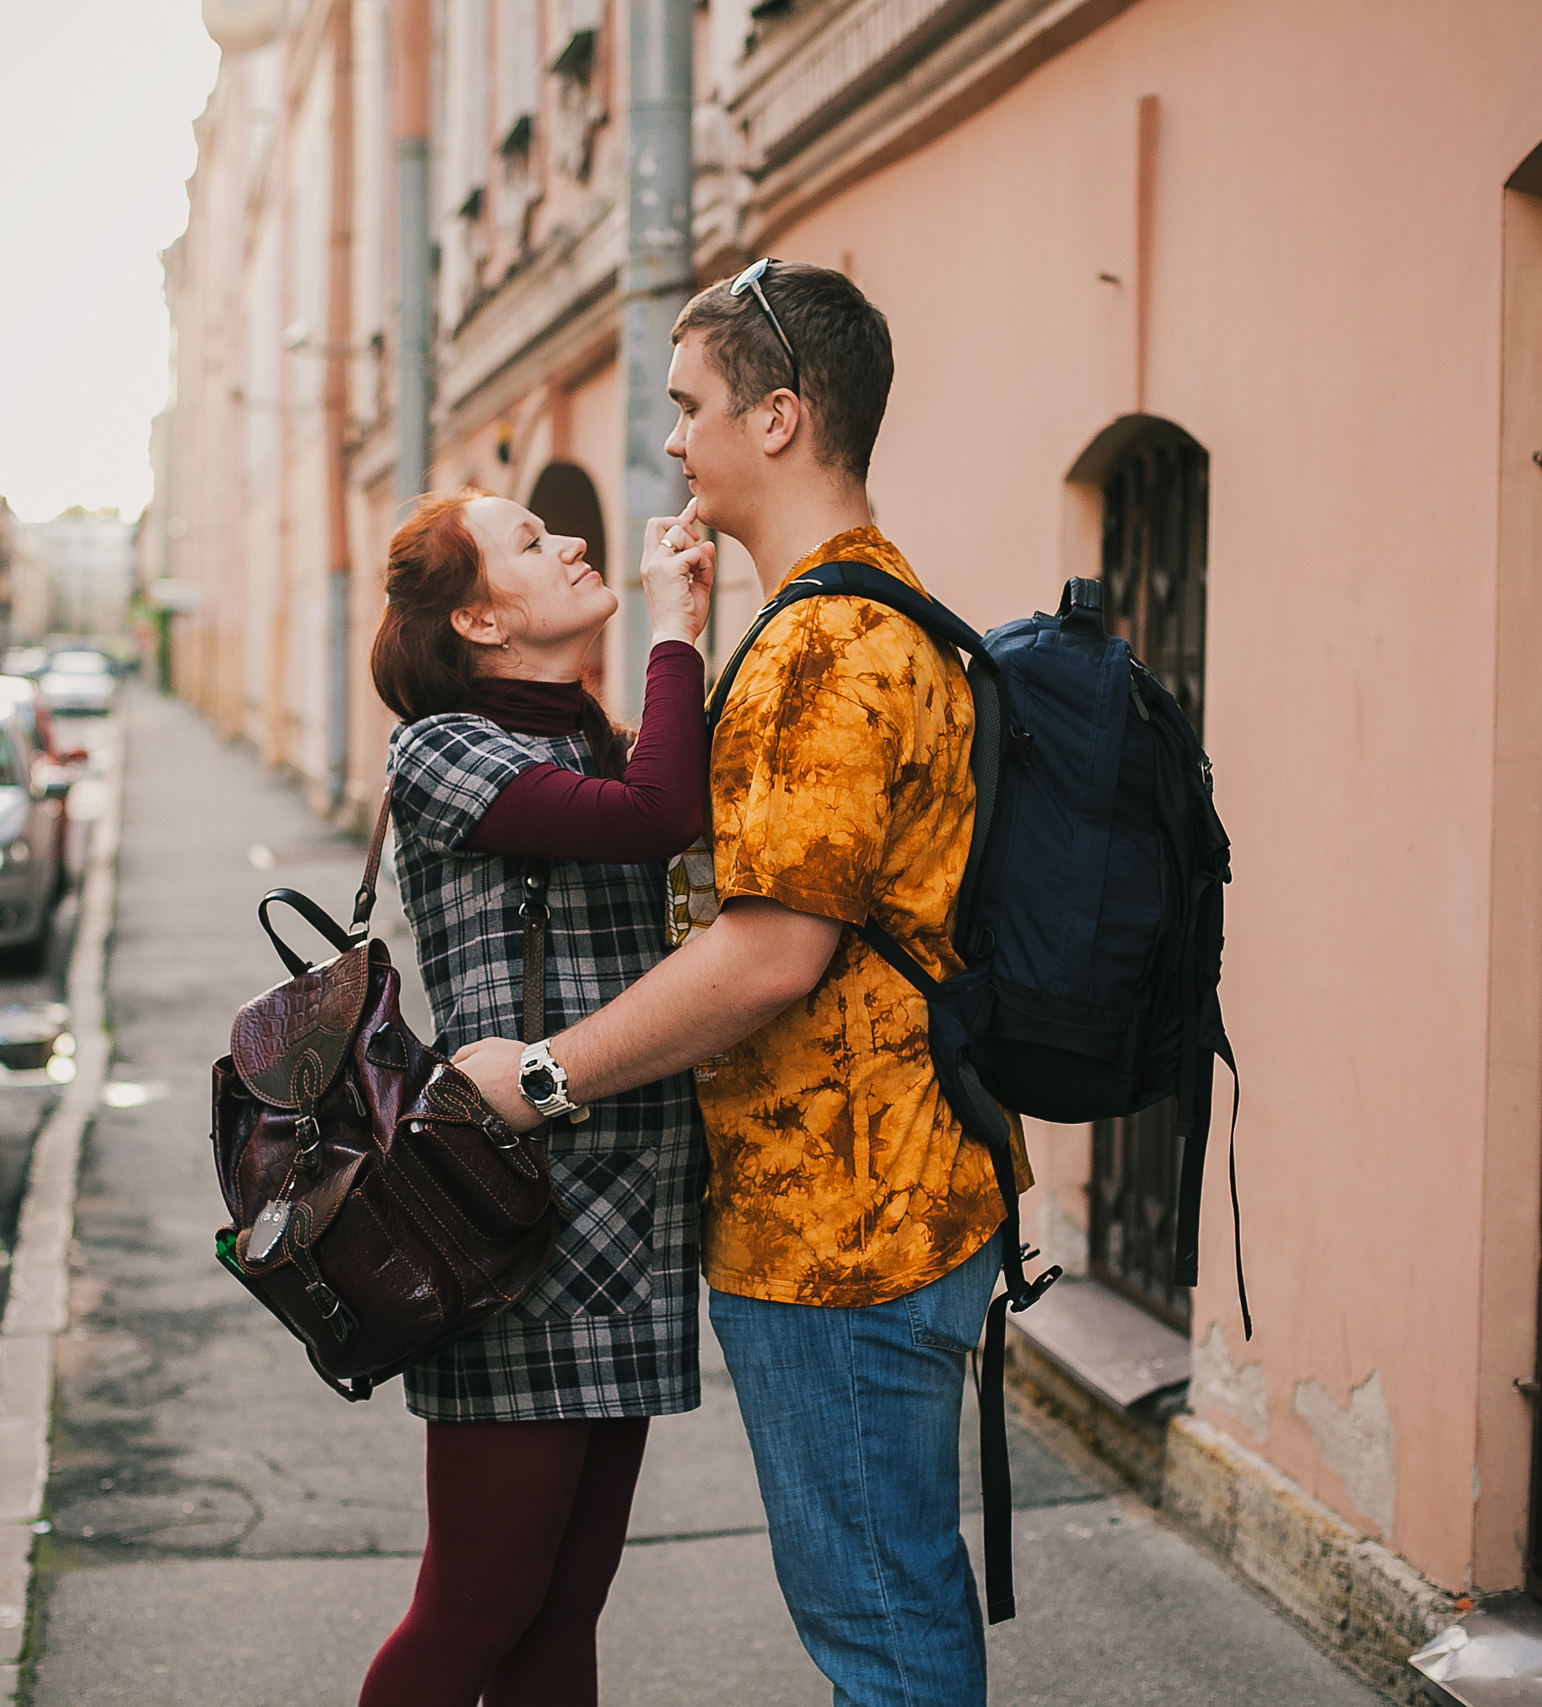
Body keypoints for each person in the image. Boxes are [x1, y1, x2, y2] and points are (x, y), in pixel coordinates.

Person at [452, 261, 1027, 1707]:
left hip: (845, 1224)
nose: (669, 441)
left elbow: (771, 949)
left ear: (776, 420)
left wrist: (540, 1074)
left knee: (882, 1629)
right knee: (893, 1605)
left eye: (688, 406)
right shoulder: (870, 610)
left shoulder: (826, 651)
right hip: (888, 1195)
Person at [356, 486, 717, 1707]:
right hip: (511, 1220)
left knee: (566, 1607)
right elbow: (660, 814)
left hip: (633, 1208)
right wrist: (677, 629)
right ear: (480, 622)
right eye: (529, 540)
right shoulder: (444, 751)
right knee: (475, 1610)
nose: (571, 541)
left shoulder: (587, 738)